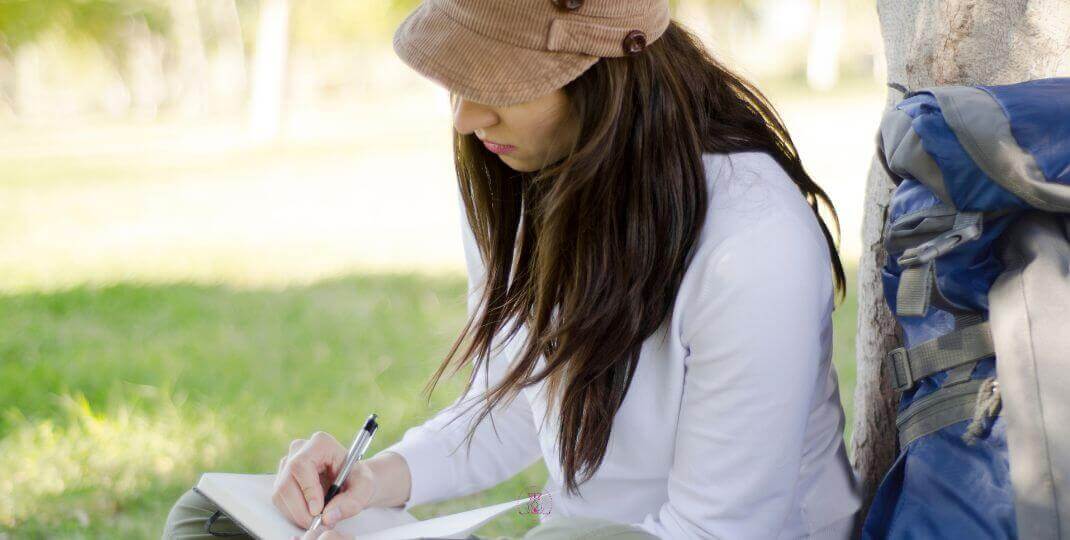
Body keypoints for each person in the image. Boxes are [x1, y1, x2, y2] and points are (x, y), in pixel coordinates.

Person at [163, 0, 863, 538]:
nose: (465, 117)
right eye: (456, 81)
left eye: (496, 80)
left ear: (606, 73)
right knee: (212, 519)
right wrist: (373, 480)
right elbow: (518, 401)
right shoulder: (524, 172)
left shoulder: (754, 242)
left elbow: (720, 529)